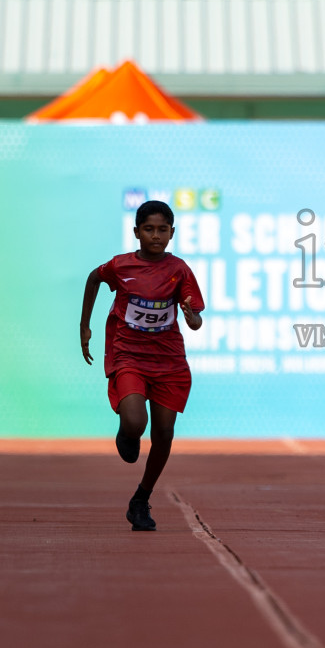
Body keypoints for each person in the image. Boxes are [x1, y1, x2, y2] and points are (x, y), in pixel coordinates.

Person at [80, 200, 204, 532]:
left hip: (169, 361)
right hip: (129, 355)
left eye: (162, 229)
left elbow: (195, 320)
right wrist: (85, 326)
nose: (156, 235)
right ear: (136, 232)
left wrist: (192, 316)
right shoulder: (121, 266)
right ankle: (127, 431)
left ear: (172, 233)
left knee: (163, 433)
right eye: (148, 229)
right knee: (136, 422)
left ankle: (141, 499)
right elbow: (93, 279)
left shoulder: (179, 270)